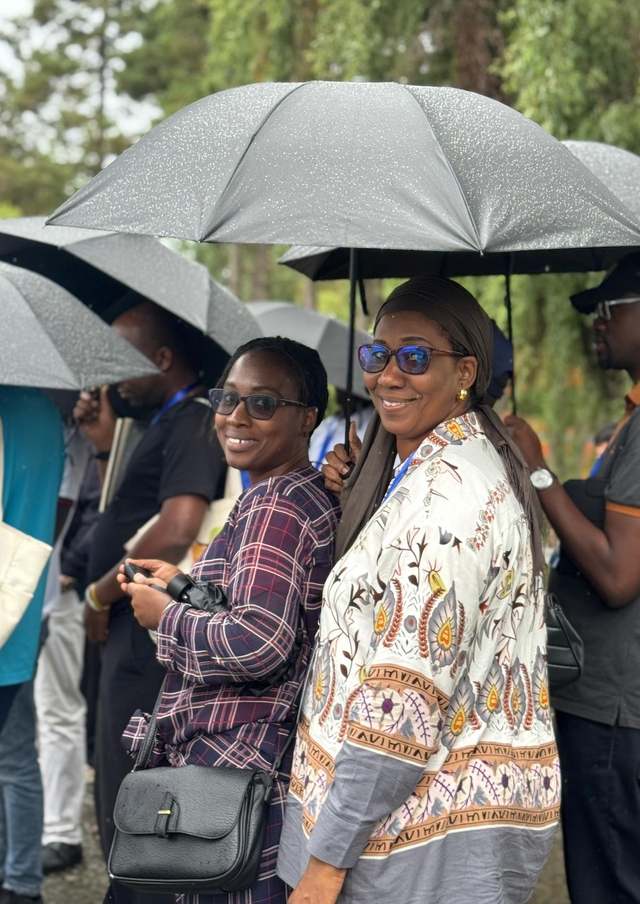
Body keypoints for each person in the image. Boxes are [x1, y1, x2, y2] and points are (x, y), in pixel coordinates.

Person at [276, 276, 559, 904]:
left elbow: (401, 705)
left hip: (406, 839)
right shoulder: (448, 462)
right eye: (377, 355)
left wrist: (326, 863)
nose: (388, 375)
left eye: (415, 356)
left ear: (465, 370)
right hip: (425, 823)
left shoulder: (446, 502)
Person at [119, 336, 340, 904]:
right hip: (253, 767)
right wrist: (183, 586)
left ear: (307, 419)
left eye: (263, 403)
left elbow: (259, 641)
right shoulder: (305, 494)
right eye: (227, 398)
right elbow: (255, 609)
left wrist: (165, 618)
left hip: (230, 767)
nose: (236, 417)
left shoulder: (275, 504)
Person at [504, 251, 640, 904]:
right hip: (629, 694)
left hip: (620, 702)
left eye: (609, 311)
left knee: (627, 886)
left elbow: (617, 574)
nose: (596, 325)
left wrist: (538, 469)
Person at [74, 299, 226, 903]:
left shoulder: (191, 420)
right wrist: (104, 444)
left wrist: (96, 594)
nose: (111, 375)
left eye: (122, 360)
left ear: (163, 358)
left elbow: (176, 526)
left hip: (144, 632)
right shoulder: (164, 419)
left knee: (132, 792)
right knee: (116, 782)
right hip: (131, 632)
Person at [0, 386, 64, 904]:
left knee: (8, 760)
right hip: (22, 603)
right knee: (9, 756)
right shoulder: (42, 412)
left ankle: (16, 879)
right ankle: (6, 871)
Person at [37, 448, 101, 875]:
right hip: (31, 586)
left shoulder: (85, 443)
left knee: (58, 711)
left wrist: (71, 566)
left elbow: (98, 509)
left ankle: (60, 830)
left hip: (56, 591)